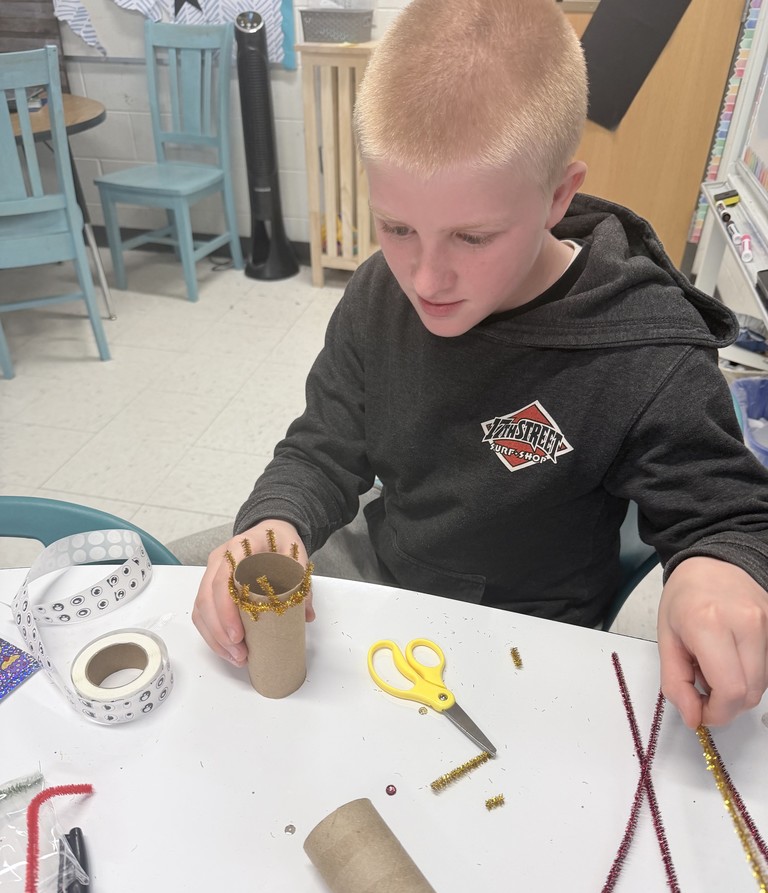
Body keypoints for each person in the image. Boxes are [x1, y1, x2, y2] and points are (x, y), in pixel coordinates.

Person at [193, 0, 768, 730]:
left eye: (472, 237)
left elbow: (727, 516)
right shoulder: (378, 293)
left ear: (559, 195)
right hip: (389, 577)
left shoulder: (645, 349)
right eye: (397, 227)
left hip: (528, 638)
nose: (425, 279)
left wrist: (717, 567)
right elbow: (323, 446)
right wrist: (274, 523)